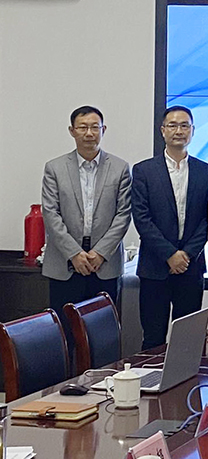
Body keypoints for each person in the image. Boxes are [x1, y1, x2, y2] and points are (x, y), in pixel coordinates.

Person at [41, 105, 132, 348]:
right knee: (65, 337)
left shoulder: (120, 167)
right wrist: (74, 253)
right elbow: (51, 213)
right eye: (83, 127)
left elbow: (123, 214)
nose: (89, 133)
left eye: (94, 127)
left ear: (103, 130)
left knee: (103, 338)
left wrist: (100, 252)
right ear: (72, 131)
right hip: (65, 264)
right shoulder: (55, 168)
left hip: (104, 263)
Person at [132, 106, 208, 349]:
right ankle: (150, 375)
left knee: (187, 341)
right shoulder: (144, 170)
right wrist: (169, 254)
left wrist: (186, 254)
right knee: (153, 338)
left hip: (190, 267)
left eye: (184, 125)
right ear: (163, 130)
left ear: (192, 130)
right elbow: (142, 218)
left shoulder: (205, 171)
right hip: (154, 268)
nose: (179, 131)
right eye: (173, 125)